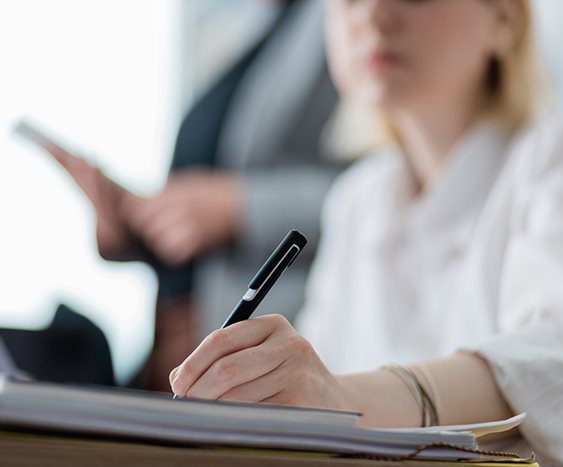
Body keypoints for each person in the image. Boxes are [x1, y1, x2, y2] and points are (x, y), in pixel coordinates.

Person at [168, 1, 563, 465]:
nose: (372, 15)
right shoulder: (357, 199)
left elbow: (557, 360)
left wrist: (343, 399)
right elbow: (318, 393)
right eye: (349, 1)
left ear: (503, 19)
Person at [46, 0, 347, 391]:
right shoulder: (252, 28)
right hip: (172, 362)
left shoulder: (347, 22)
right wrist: (141, 225)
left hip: (257, 370)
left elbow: (388, 188)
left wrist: (239, 206)